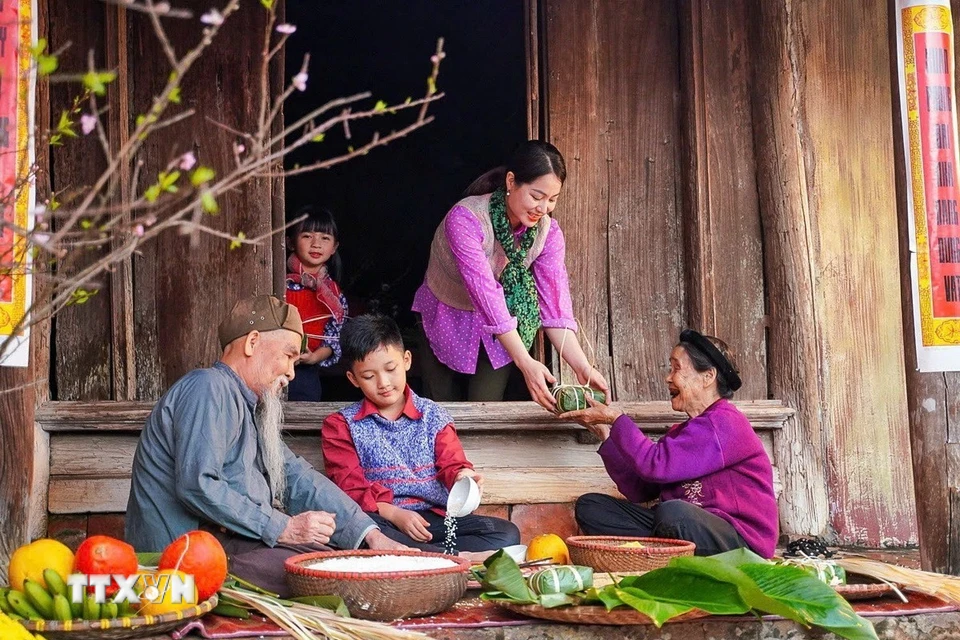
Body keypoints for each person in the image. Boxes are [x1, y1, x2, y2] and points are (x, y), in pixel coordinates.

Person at [125, 295, 405, 596]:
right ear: (252, 342)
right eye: (287, 356)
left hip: (225, 546)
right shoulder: (208, 387)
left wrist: (368, 533)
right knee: (325, 574)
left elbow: (295, 476)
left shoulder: (249, 408)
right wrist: (282, 528)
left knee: (341, 560)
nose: (291, 373)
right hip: (183, 561)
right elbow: (198, 485)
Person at [412, 140, 609, 408]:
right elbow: (485, 292)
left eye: (552, 200)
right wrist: (525, 361)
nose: (543, 208)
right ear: (511, 181)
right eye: (536, 196)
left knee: (487, 407)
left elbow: (554, 308)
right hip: (447, 315)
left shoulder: (548, 234)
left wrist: (582, 366)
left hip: (505, 327)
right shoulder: (466, 219)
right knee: (440, 405)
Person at [561, 330, 778, 558]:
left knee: (674, 513)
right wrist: (606, 433)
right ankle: (656, 555)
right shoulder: (682, 432)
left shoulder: (725, 422)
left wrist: (616, 419)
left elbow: (656, 465)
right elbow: (640, 489)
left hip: (739, 540)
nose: (668, 377)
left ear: (708, 377)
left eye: (676, 368)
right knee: (592, 507)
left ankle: (650, 554)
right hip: (680, 527)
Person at [322, 314, 521, 553]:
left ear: (406, 360)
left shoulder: (434, 416)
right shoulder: (340, 425)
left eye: (390, 369)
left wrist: (463, 476)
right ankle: (452, 558)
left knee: (506, 533)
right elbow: (350, 489)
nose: (383, 382)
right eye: (368, 376)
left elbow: (453, 463)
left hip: (432, 523)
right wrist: (395, 514)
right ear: (353, 379)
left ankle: (425, 556)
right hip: (383, 519)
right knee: (361, 531)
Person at [284, 206, 347, 401]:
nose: (316, 244)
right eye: (307, 236)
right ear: (290, 242)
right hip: (272, 364)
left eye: (324, 238)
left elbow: (333, 339)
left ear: (334, 247)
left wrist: (314, 357)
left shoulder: (334, 295)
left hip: (305, 371)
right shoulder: (279, 283)